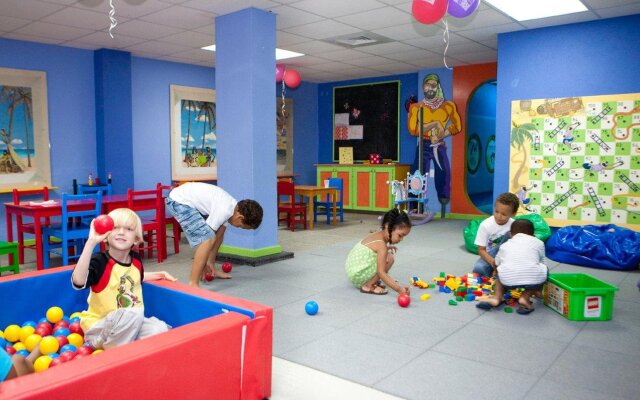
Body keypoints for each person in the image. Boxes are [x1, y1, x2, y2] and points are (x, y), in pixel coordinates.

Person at [71, 208, 176, 350]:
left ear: (137, 239)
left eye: (128, 229)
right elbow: (78, 281)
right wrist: (91, 243)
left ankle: (124, 348)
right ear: (106, 235)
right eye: (115, 228)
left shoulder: (136, 261)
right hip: (99, 328)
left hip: (128, 325)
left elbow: (135, 277)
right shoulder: (100, 261)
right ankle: (114, 355)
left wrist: (160, 274)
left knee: (159, 329)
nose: (121, 232)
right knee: (134, 312)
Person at [165, 182, 263, 287]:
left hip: (185, 200)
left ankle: (210, 267)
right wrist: (202, 266)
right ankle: (193, 283)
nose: (237, 227)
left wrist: (210, 263)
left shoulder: (232, 207)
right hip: (178, 202)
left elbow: (219, 235)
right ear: (240, 217)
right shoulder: (224, 210)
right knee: (207, 239)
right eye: (240, 226)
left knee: (215, 234)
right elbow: (206, 240)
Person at [407, 74, 461, 207]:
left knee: (443, 171)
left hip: (438, 143)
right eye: (427, 85)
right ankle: (413, 205)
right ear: (423, 87)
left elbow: (457, 126)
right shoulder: (416, 107)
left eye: (432, 85)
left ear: (437, 87)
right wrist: (434, 124)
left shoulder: (448, 106)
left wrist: (441, 135)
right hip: (423, 144)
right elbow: (413, 130)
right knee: (417, 173)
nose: (429, 88)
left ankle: (443, 198)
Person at [476, 219, 549, 315]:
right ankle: (526, 297)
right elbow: (542, 261)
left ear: (510, 234)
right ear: (533, 235)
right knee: (543, 269)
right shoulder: (539, 243)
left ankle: (496, 298)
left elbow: (496, 262)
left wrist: (496, 271)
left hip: (507, 280)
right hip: (532, 280)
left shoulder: (505, 245)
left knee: (500, 273)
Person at [345, 208, 412, 295]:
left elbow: (369, 249)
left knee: (386, 255)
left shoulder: (377, 235)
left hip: (353, 269)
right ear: (388, 227)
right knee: (390, 258)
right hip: (358, 275)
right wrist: (399, 289)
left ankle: (371, 281)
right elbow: (381, 273)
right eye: (400, 235)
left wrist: (387, 249)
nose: (401, 239)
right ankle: (369, 285)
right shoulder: (381, 245)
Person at [472, 192, 520, 277]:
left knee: (508, 235)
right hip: (490, 257)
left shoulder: (515, 225)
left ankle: (499, 273)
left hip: (507, 257)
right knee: (478, 269)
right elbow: (481, 250)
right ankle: (495, 273)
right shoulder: (485, 225)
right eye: (496, 211)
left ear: (513, 214)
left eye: (504, 214)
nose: (499, 216)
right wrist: (493, 263)